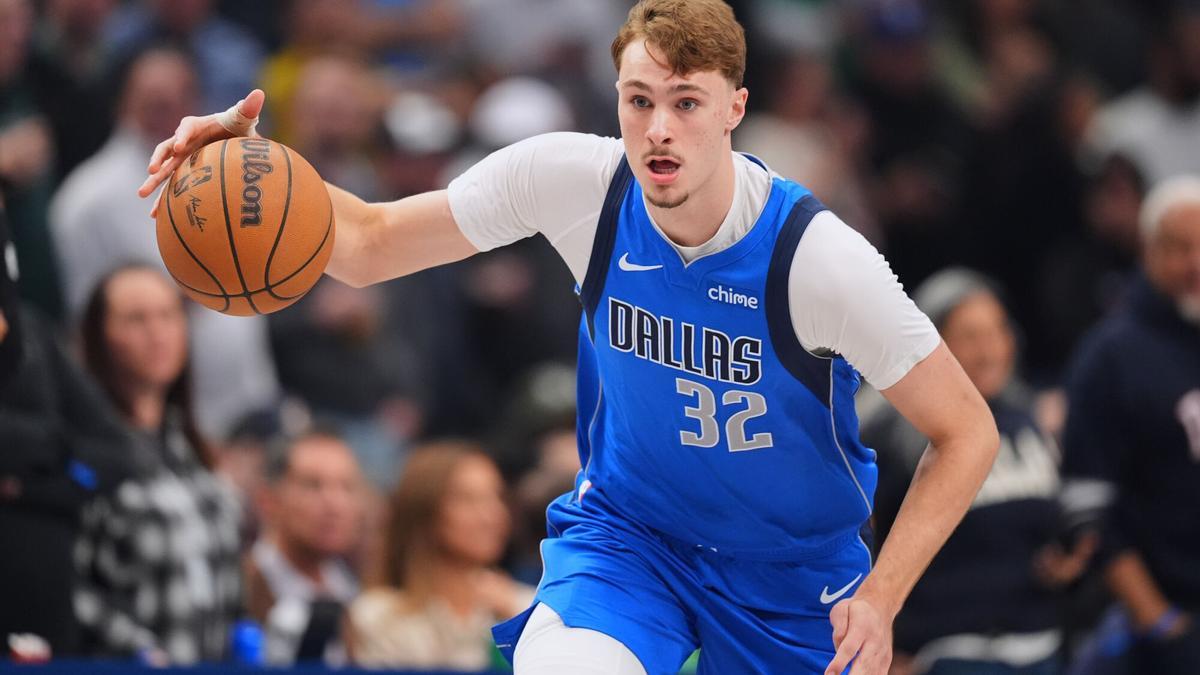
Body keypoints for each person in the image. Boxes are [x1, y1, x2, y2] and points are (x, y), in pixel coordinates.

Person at [140, 2, 999, 672]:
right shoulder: (574, 184)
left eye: (686, 103)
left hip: (791, 573)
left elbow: (967, 431)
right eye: (639, 100)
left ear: (734, 108)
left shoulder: (819, 260)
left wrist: (883, 595)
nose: (658, 129)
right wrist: (255, 167)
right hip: (632, 538)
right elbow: (367, 243)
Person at [862, 268, 1092, 675]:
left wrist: (1068, 556)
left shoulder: (1027, 419)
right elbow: (861, 541)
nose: (989, 351)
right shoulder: (893, 432)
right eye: (970, 336)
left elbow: (1049, 521)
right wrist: (881, 637)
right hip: (944, 651)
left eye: (997, 331)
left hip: (1040, 645)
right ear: (933, 343)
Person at [1060, 175, 1200, 674]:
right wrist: (1161, 624)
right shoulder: (1110, 356)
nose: (1196, 264)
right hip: (1167, 623)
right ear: (1147, 250)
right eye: (1179, 248)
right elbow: (1089, 507)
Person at [73, 264, 242, 664]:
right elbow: (68, 584)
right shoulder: (82, 452)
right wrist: (140, 652)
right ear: (99, 336)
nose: (157, 332)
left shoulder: (193, 452)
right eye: (136, 319)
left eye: (168, 315)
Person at [346, 441, 531, 671]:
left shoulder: (529, 607)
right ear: (424, 511)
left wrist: (517, 622)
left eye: (497, 497)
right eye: (468, 499)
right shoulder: (378, 616)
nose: (493, 515)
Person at [244, 429, 364, 666]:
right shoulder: (240, 589)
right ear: (268, 501)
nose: (335, 504)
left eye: (347, 487)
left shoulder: (355, 593)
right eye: (313, 486)